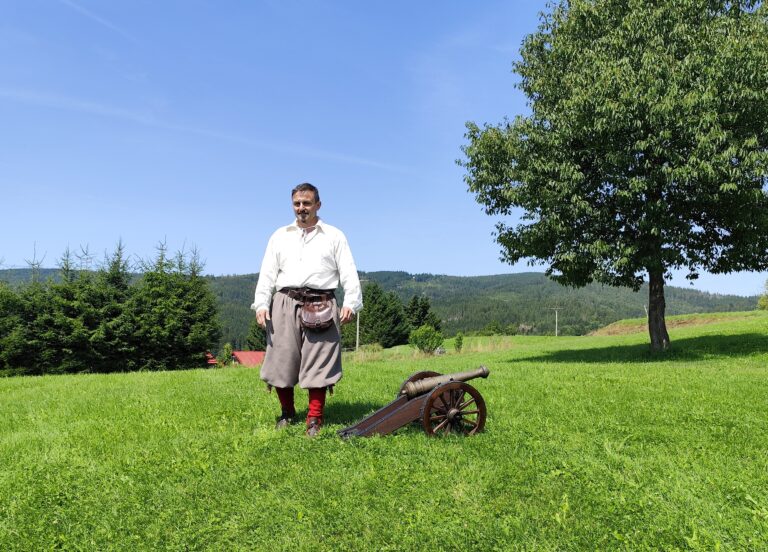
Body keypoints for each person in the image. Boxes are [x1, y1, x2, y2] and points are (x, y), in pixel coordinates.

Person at [251, 182, 362, 437]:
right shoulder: (279, 236)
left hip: (322, 302)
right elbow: (267, 273)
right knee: (282, 358)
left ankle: (314, 419)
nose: (301, 208)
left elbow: (348, 271)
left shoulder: (334, 235)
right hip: (284, 301)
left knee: (320, 360)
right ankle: (287, 412)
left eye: (307, 203)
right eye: (297, 204)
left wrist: (351, 303)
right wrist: (261, 304)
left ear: (318, 205)